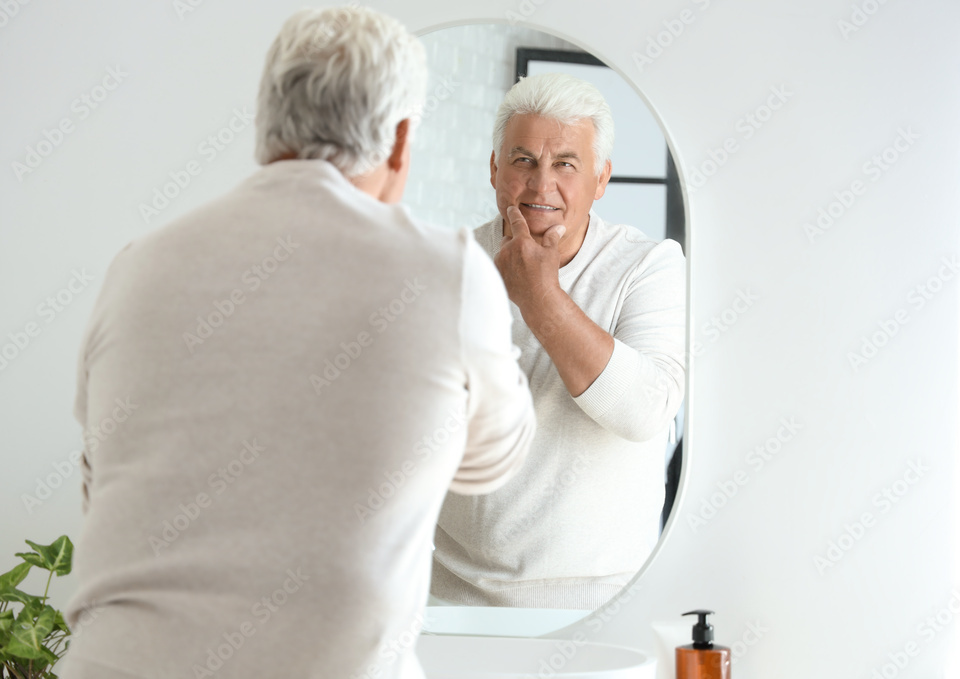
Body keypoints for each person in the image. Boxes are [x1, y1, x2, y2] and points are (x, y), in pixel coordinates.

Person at [60, 7, 535, 678]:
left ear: (265, 123)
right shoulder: (448, 271)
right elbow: (493, 461)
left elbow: (102, 482)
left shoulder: (137, 266)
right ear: (402, 140)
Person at [432, 72, 686, 609]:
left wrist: (539, 295)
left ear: (601, 179)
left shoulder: (648, 266)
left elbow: (645, 412)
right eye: (523, 160)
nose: (541, 185)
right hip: (449, 594)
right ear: (496, 169)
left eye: (565, 164)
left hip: (598, 600)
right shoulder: (444, 265)